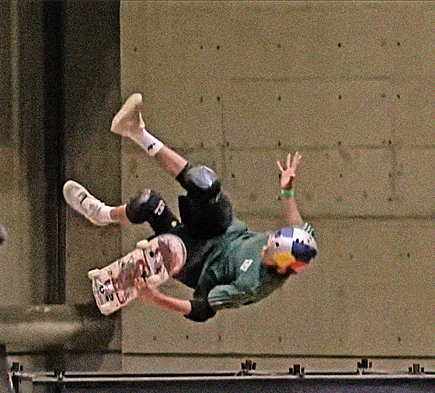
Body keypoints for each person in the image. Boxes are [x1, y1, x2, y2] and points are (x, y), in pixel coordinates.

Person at [64, 93, 317, 322]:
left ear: (283, 266)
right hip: (221, 229)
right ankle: (135, 131)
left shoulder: (251, 285)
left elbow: (202, 309)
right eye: (271, 240)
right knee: (205, 183)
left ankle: (100, 214)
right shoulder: (300, 243)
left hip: (199, 262)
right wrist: (288, 190)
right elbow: (297, 224)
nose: (266, 246)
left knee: (147, 203)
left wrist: (156, 299)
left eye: (271, 251)